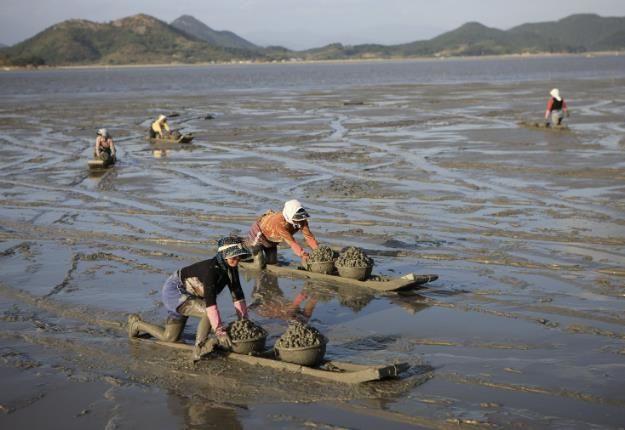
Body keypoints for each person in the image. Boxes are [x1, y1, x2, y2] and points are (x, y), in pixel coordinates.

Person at [128, 236, 251, 361]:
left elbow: (237, 294)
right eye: (234, 257)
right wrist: (219, 330)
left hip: (192, 296)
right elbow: (210, 303)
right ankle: (199, 348)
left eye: (239, 257)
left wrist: (244, 321)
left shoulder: (231, 269)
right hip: (175, 291)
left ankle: (137, 325)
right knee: (207, 313)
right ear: (224, 255)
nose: (237, 261)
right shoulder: (211, 270)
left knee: (170, 338)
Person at [246, 199, 319, 269]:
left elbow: (309, 237)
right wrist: (303, 254)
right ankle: (245, 262)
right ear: (289, 216)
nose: (300, 221)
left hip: (273, 240)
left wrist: (317, 251)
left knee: (272, 263)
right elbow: (291, 242)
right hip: (259, 235)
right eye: (297, 218)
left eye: (300, 217)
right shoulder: (280, 223)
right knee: (259, 264)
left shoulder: (302, 221)